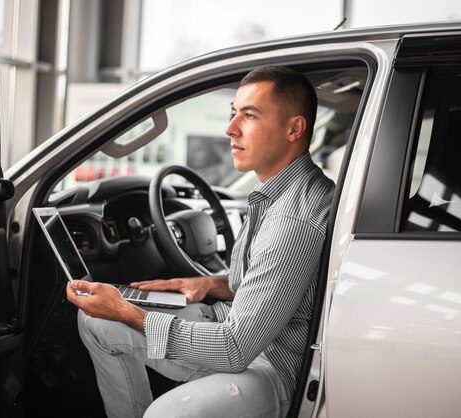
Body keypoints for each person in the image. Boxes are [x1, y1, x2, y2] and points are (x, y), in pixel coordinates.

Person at [66, 65, 335, 418]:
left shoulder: (293, 220)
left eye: (249, 115)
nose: (230, 128)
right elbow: (274, 287)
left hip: (273, 364)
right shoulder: (275, 193)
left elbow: (235, 348)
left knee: (165, 414)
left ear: (294, 128)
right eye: (233, 113)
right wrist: (209, 283)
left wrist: (128, 312)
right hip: (243, 330)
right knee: (96, 321)